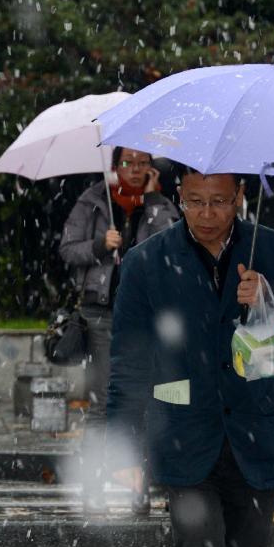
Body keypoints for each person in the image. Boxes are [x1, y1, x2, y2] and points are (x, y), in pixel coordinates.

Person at [106, 167, 274, 547]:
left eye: (219, 201)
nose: (206, 214)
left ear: (240, 196)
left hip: (258, 433)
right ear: (179, 196)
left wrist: (269, 298)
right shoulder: (146, 263)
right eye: (194, 201)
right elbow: (128, 363)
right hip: (184, 433)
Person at [59, 146, 180, 514]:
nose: (135, 169)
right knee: (102, 402)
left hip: (145, 317)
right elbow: (68, 249)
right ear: (114, 167)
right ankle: (93, 488)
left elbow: (174, 249)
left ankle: (137, 490)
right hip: (100, 312)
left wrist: (152, 203)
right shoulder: (93, 200)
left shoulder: (158, 204)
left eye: (143, 163)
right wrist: (100, 244)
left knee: (141, 402)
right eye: (127, 163)